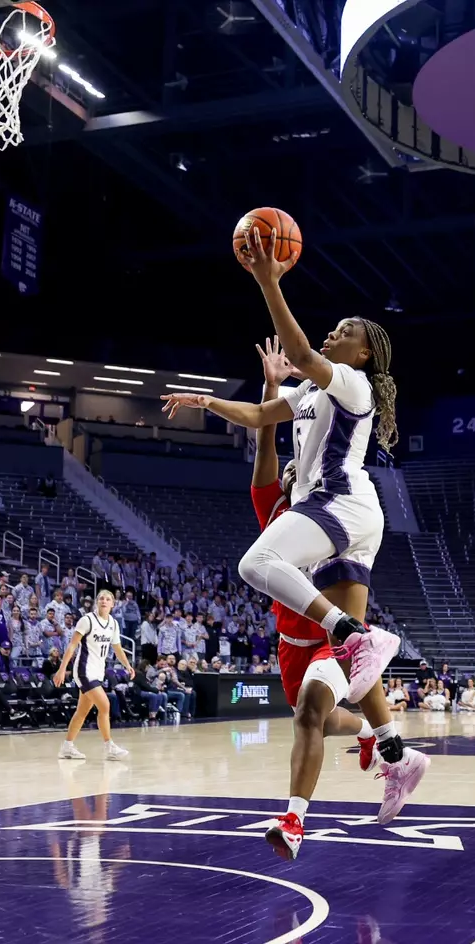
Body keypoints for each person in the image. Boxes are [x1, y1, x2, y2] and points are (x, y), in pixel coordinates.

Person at [158, 250, 403, 710]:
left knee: (256, 564)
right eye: (334, 328)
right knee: (330, 679)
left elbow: (302, 355)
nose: (333, 334)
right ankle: (386, 736)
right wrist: (207, 402)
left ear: (363, 353)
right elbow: (258, 415)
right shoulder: (311, 390)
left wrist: (268, 282)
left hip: (341, 501)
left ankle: (355, 635)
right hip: (332, 508)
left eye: (344, 332)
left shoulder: (355, 383)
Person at [231, 337, 426, 860]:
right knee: (317, 715)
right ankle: (374, 735)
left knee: (310, 714)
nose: (295, 466)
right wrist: (271, 387)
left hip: (327, 637)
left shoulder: (334, 510)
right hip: (290, 642)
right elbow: (265, 438)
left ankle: (294, 819)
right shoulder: (275, 510)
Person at [52, 589, 134, 762]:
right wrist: (62, 669)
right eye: (101, 598)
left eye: (108, 599)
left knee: (82, 711)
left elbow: (117, 648)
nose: (104, 601)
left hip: (98, 671)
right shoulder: (87, 620)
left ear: (112, 604)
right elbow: (72, 645)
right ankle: (109, 746)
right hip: (84, 670)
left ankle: (67, 747)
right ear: (97, 602)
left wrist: (127, 665)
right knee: (105, 705)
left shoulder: (113, 623)